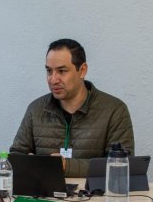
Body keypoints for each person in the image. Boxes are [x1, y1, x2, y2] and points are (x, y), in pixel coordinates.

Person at [10, 38, 134, 177]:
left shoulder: (114, 110)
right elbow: (16, 156)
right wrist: (29, 163)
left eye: (62, 71)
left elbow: (121, 165)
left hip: (92, 191)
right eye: (49, 71)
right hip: (46, 189)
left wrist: (67, 166)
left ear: (82, 70)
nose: (53, 79)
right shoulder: (36, 109)